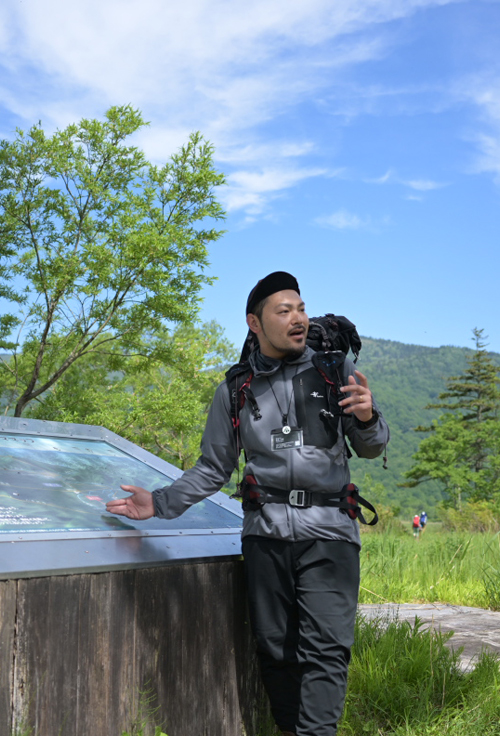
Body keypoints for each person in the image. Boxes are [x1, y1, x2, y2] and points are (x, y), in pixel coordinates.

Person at [106, 271, 390, 736]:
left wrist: (367, 416)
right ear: (254, 324)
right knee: (276, 649)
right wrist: (158, 503)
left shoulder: (331, 370)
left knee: (327, 649)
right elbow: (213, 468)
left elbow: (373, 446)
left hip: (331, 533)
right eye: (285, 311)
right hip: (266, 536)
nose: (298, 319)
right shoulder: (236, 390)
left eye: (301, 308)